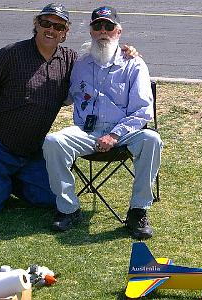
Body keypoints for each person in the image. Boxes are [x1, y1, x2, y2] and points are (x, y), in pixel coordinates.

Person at [0, 3, 138, 216]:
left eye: (58, 27)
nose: (51, 29)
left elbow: (100, 58)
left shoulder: (70, 61)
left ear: (65, 33)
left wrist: (123, 50)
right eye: (46, 23)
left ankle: (5, 181)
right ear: (36, 25)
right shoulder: (10, 54)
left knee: (49, 198)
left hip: (32, 150)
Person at [43, 6, 163, 239]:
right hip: (87, 132)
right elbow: (68, 96)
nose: (103, 31)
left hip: (124, 133)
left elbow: (142, 111)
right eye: (97, 26)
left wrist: (115, 135)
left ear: (118, 32)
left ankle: (138, 211)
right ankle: (68, 208)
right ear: (90, 31)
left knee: (152, 139)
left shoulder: (134, 64)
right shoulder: (80, 64)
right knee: (53, 141)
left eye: (109, 26)